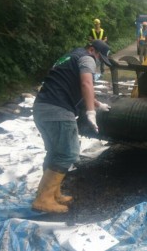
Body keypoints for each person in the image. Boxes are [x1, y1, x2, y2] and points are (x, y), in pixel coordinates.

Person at [32, 40, 112, 213]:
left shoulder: (70, 57)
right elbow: (86, 84)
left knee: (55, 153)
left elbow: (71, 86)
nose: (97, 63)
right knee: (68, 153)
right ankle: (43, 199)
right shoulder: (87, 58)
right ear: (93, 50)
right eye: (99, 58)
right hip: (58, 111)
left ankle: (53, 194)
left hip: (42, 108)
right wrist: (91, 112)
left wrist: (96, 103)